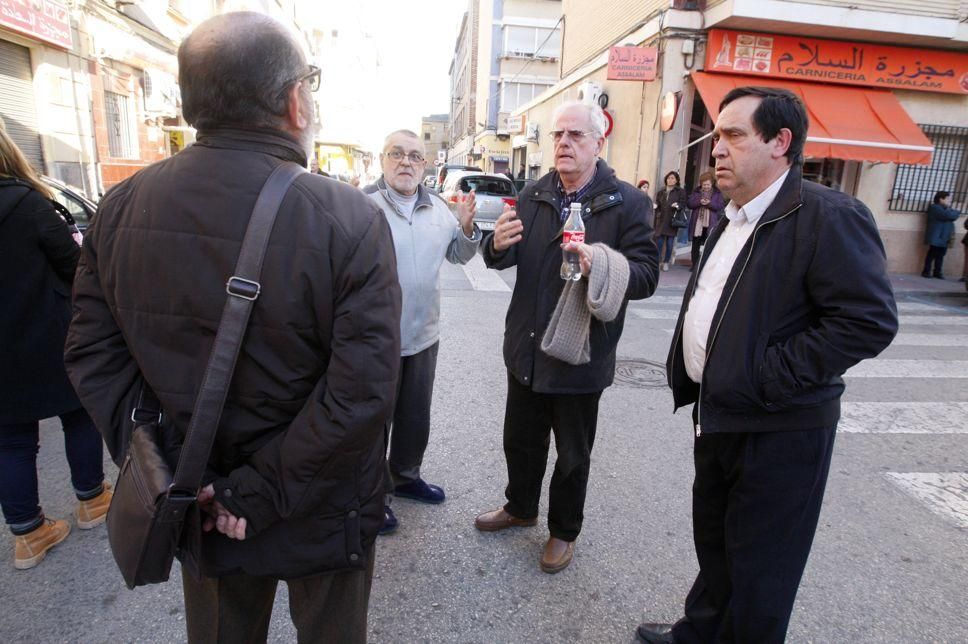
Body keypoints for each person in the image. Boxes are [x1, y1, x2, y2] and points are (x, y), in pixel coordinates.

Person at [64, 12, 401, 642]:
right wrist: (260, 492)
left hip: (199, 491)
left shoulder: (120, 207)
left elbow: (91, 354)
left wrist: (158, 462)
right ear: (295, 101)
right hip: (320, 503)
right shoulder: (348, 219)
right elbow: (363, 393)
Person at [637, 87, 898, 644]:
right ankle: (700, 634)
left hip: (779, 430)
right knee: (717, 544)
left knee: (762, 573)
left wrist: (765, 377)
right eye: (717, 137)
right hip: (719, 414)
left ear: (781, 142)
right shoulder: (735, 218)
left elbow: (868, 321)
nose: (717, 151)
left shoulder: (829, 215)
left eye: (734, 135)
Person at [475, 101, 658, 574]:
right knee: (520, 440)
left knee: (573, 454)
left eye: (576, 135)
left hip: (581, 354)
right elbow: (500, 255)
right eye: (558, 135)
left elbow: (646, 275)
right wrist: (493, 245)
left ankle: (563, 531)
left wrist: (604, 263)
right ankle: (520, 507)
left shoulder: (627, 203)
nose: (563, 143)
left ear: (599, 142)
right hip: (527, 347)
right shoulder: (534, 193)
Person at [0, 118, 112, 570]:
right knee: (80, 414)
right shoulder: (27, 204)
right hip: (47, 336)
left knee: (9, 440)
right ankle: (91, 500)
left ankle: (27, 535)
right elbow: (74, 265)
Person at [363, 129, 480, 534]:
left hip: (423, 334)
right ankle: (371, 497)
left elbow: (459, 254)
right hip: (374, 340)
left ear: (425, 165)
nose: (406, 162)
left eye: (415, 156)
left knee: (415, 416)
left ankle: (407, 477)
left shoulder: (439, 210)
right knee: (373, 422)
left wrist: (466, 229)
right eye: (397, 153)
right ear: (382, 159)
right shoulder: (362, 206)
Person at [685, 172, 725, 270]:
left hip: (710, 223)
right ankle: (694, 265)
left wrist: (709, 203)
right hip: (697, 222)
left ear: (712, 183)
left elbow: (720, 206)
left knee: (708, 244)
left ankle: (704, 265)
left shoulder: (717, 193)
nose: (706, 186)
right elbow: (690, 204)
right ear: (701, 184)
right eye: (704, 185)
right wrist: (699, 202)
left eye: (708, 184)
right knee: (695, 244)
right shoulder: (696, 192)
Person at [921, 190, 961, 279]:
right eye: (947, 199)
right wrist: (955, 212)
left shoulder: (946, 209)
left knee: (941, 255)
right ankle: (926, 271)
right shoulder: (935, 208)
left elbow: (954, 214)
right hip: (936, 236)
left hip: (944, 236)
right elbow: (950, 215)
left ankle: (937, 272)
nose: (949, 201)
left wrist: (954, 212)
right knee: (932, 253)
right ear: (941, 199)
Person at [654, 171, 687, 271]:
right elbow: (658, 204)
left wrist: (677, 206)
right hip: (662, 220)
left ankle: (666, 262)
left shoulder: (680, 191)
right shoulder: (661, 191)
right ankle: (658, 261)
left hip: (672, 221)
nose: (670, 180)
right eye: (668, 178)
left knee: (669, 244)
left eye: (672, 178)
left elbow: (683, 203)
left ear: (676, 180)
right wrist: (656, 207)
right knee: (659, 243)